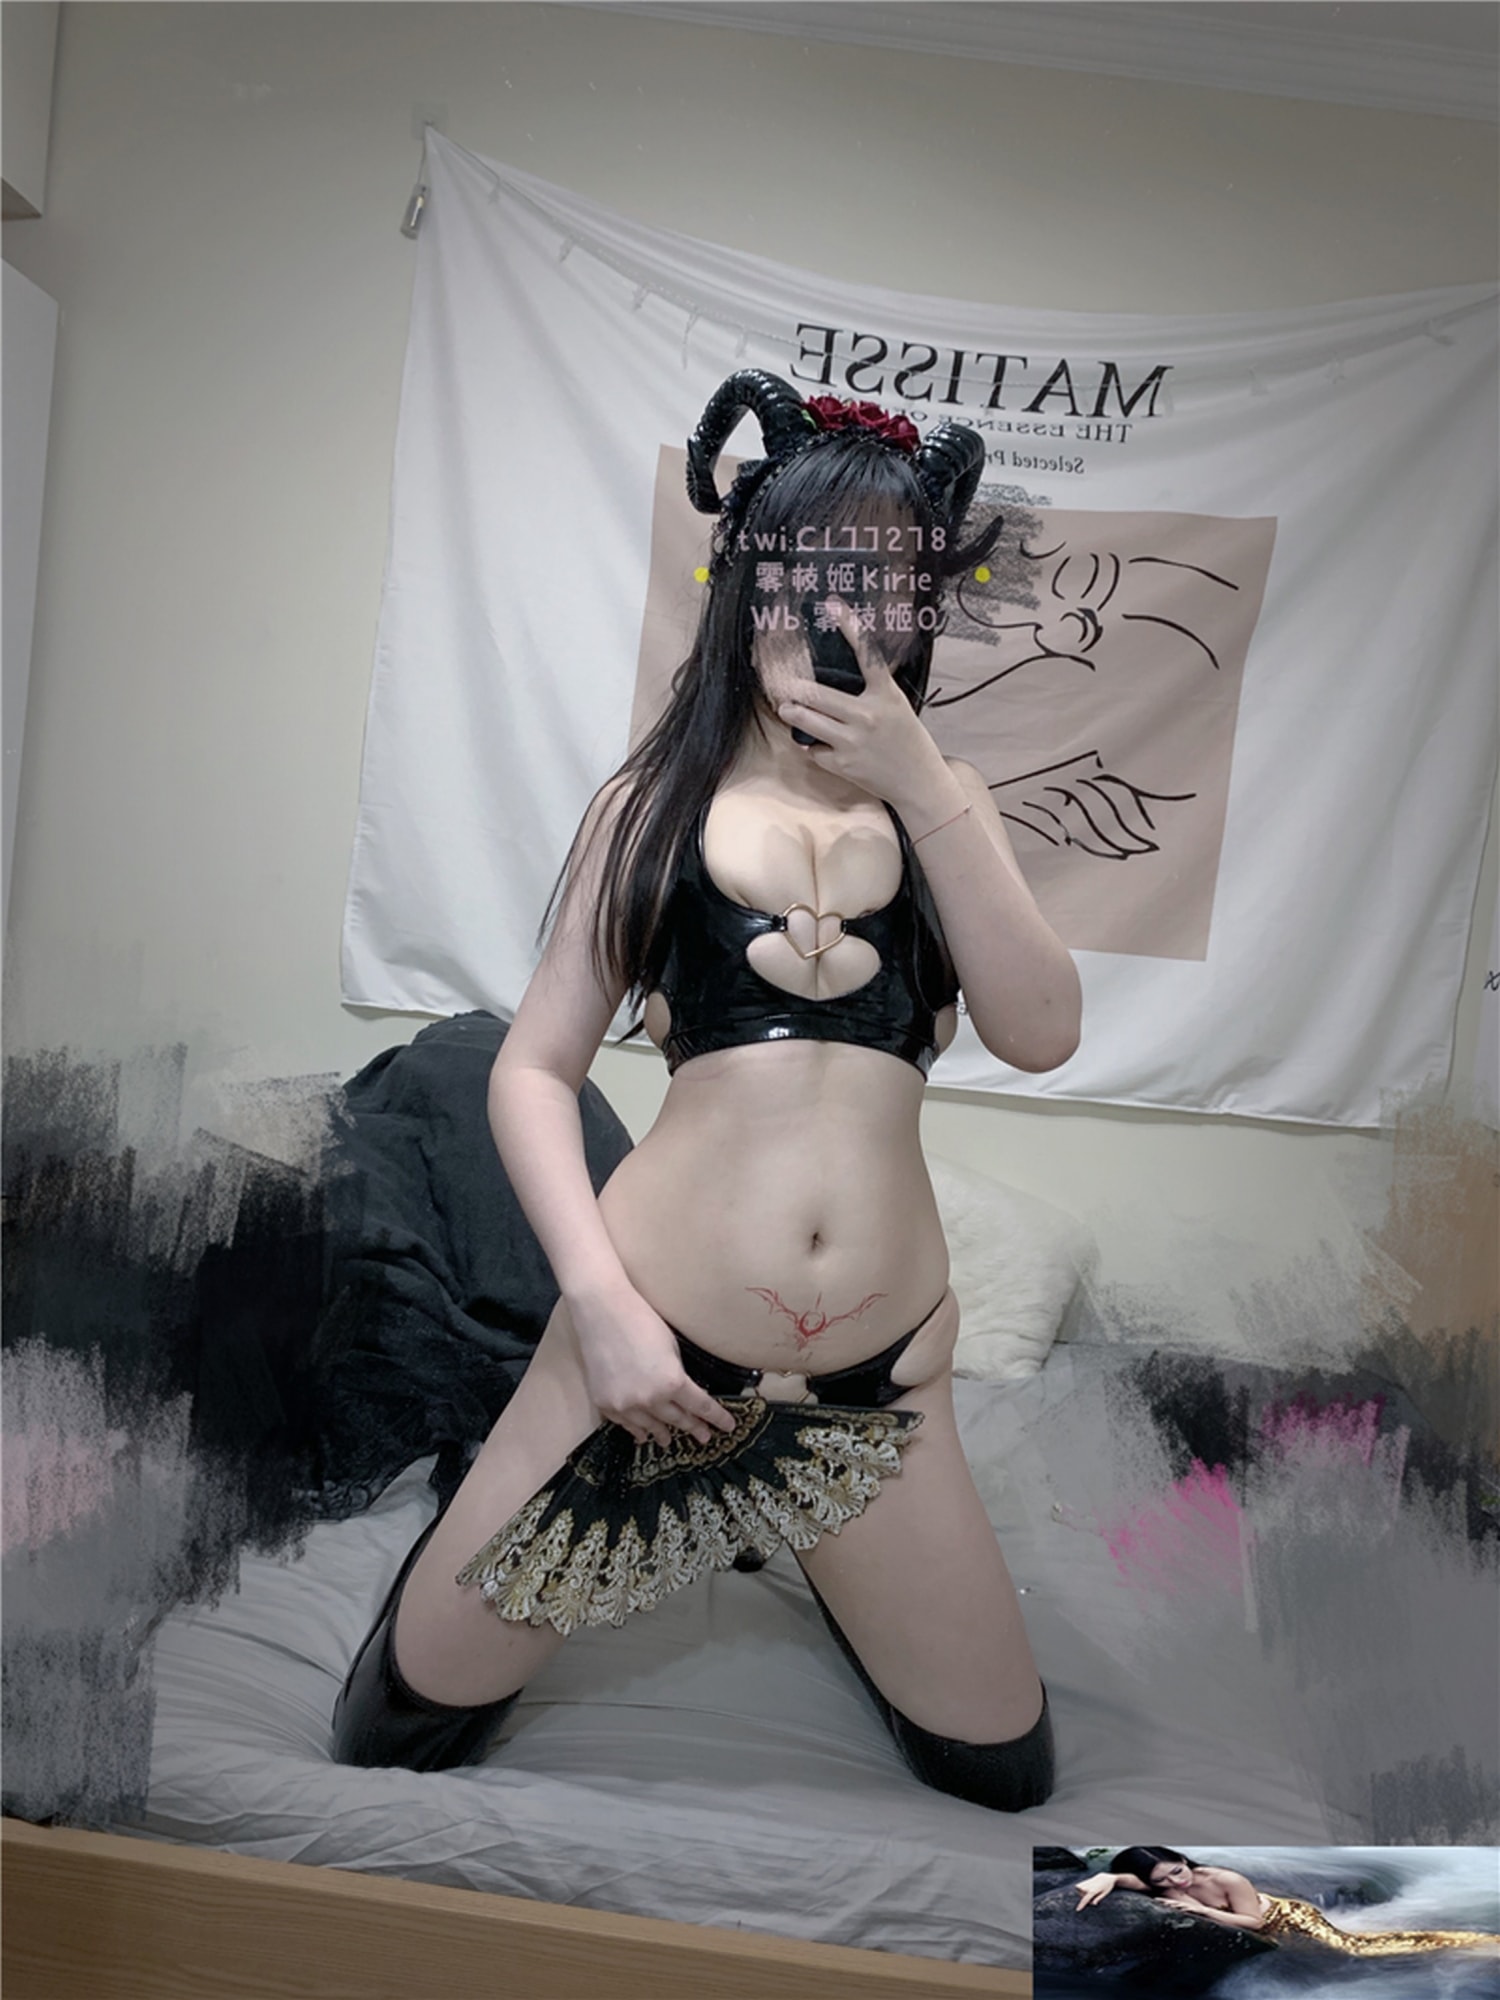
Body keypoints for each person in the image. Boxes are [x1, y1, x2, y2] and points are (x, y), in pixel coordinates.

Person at [330, 369, 1083, 1808]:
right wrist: (602, 1309)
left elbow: (1043, 1033)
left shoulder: (954, 812)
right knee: (394, 1733)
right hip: (649, 1355)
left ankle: (814, 1546)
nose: (850, 609)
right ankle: (508, 1467)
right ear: (748, 583)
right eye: (814, 570)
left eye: (889, 579)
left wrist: (925, 784)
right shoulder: (652, 807)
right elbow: (533, 1070)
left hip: (877, 1382)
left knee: (1005, 1774)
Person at [1074, 1847, 1498, 1955]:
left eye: (1177, 1871)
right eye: (1163, 1881)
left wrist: (1201, 1911)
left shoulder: (1225, 1878)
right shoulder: (1156, 1883)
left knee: (1357, 1949)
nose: (1175, 1883)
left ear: (1184, 1860)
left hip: (1287, 1917)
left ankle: (1474, 1941)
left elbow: (1256, 1923)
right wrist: (1107, 1876)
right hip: (1258, 1924)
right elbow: (1130, 1879)